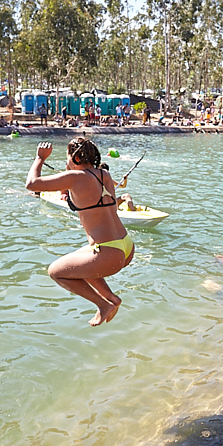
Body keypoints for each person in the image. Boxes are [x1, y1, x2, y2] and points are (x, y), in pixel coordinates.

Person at [25, 139, 135, 326]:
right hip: (126, 246)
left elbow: (32, 184)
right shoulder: (105, 175)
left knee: (56, 272)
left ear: (75, 157)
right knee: (74, 265)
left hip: (110, 253)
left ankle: (103, 304)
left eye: (67, 157)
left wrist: (39, 158)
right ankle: (112, 299)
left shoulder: (76, 177)